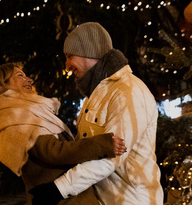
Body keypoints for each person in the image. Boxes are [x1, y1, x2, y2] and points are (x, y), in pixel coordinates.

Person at [30, 22, 163, 205]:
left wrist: (59, 188)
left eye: (70, 56)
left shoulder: (127, 91)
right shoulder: (97, 94)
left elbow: (112, 156)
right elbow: (89, 148)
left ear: (89, 52)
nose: (67, 65)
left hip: (129, 200)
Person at [0, 63, 127, 205]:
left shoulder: (21, 116)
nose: (29, 80)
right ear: (0, 86)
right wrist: (102, 144)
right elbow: (55, 152)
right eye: (20, 76)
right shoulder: (17, 121)